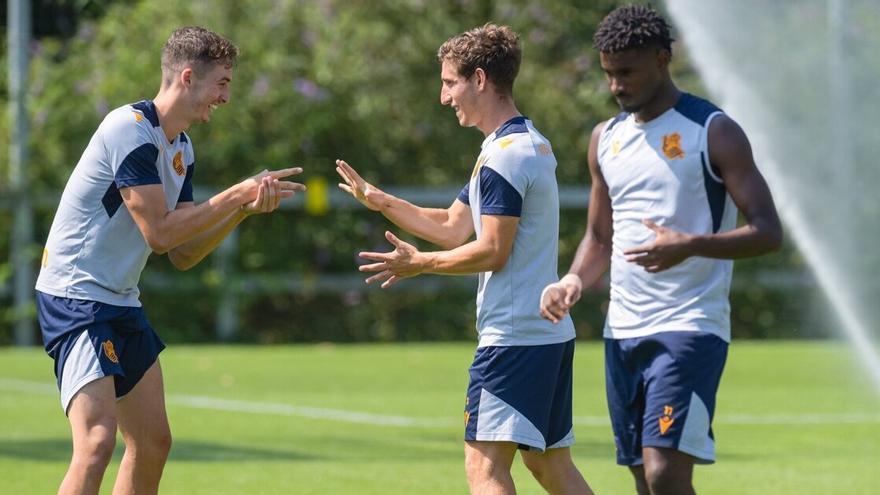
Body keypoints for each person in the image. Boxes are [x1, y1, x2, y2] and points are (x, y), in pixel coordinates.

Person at [34, 26, 305, 494]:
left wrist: (240, 209)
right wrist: (235, 193)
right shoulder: (130, 130)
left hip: (119, 301)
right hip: (75, 298)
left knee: (154, 442)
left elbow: (183, 252)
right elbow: (159, 233)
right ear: (187, 77)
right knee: (97, 442)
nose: (225, 96)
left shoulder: (180, 147)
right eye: (222, 83)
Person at [335, 23, 593, 495]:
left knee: (485, 473)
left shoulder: (505, 158)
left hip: (513, 339)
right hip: (546, 336)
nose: (443, 96)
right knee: (551, 470)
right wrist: (378, 199)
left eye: (449, 82)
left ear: (478, 79)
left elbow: (492, 249)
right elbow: (453, 225)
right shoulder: (519, 143)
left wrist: (421, 264)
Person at [539, 5, 783, 495]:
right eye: (609, 74)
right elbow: (600, 238)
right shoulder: (604, 139)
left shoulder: (714, 131)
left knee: (664, 473)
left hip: (690, 326)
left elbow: (767, 230)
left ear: (662, 58)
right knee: (642, 480)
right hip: (622, 331)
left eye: (626, 72)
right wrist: (572, 281)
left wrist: (691, 245)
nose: (616, 86)